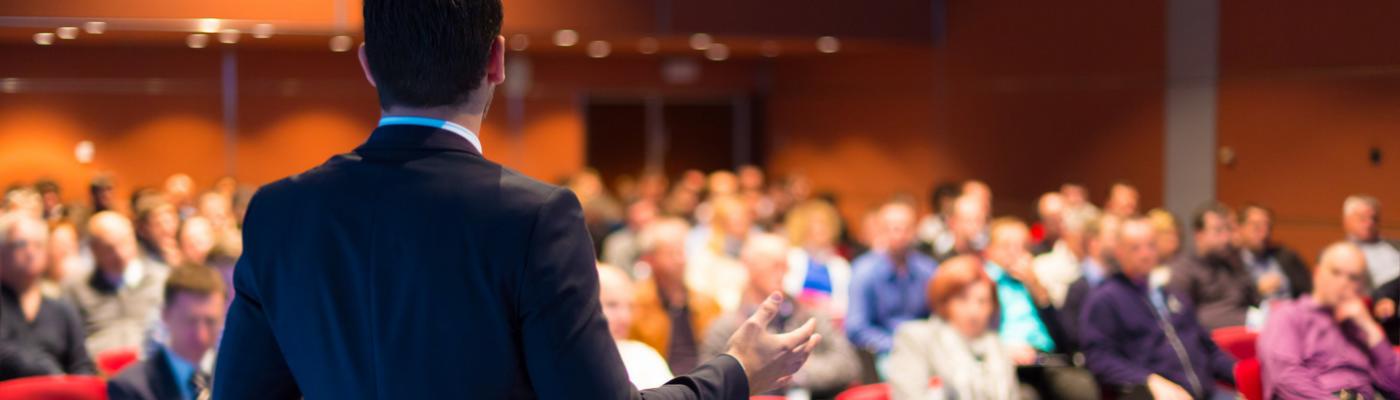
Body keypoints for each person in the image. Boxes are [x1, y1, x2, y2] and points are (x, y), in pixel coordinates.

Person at [214, 2, 820, 398]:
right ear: (497, 60)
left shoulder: (278, 212)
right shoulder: (533, 218)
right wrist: (735, 370)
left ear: (369, 66)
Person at [1080, 217, 1235, 400]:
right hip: (1154, 394)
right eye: (1135, 248)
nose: (1145, 254)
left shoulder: (1172, 293)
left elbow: (1207, 347)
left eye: (1151, 246)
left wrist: (1240, 373)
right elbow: (1100, 358)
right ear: (1119, 252)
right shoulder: (1105, 299)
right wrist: (1148, 380)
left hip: (1207, 392)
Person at [702, 234, 859, 398]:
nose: (783, 272)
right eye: (774, 265)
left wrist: (794, 371)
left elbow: (848, 365)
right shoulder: (725, 325)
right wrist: (760, 372)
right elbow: (710, 382)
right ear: (749, 266)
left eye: (785, 265)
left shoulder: (811, 316)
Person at [1259, 241, 1400, 398]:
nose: (1343, 283)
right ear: (1317, 273)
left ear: (1361, 286)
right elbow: (1286, 377)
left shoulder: (1356, 326)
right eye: (1336, 272)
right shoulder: (1288, 315)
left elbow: (1396, 385)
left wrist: (1369, 327)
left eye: (1353, 277)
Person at [981, 218, 1095, 399]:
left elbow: (1064, 338)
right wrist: (1004, 349)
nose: (1014, 253)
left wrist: (1038, 290)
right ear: (989, 250)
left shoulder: (1036, 282)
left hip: (1043, 359)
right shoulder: (983, 283)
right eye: (1006, 246)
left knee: (1081, 388)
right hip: (1002, 360)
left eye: (1022, 246)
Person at [888, 255, 1022, 400]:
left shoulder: (996, 345)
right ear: (945, 302)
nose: (974, 311)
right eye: (963, 299)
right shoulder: (916, 338)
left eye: (982, 301)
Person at [109, 265, 226, 400]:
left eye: (211, 322)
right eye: (190, 321)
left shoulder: (238, 377)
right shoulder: (130, 387)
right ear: (165, 315)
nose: (201, 335)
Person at [0, 213, 95, 377]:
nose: (31, 252)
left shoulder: (62, 309)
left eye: (38, 244)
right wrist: (52, 375)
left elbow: (82, 365)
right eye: (20, 244)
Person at [630, 217, 725, 376]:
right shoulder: (635, 303)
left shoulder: (707, 303)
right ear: (650, 259)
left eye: (682, 252)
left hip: (703, 384)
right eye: (671, 253)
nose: (681, 260)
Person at [63, 211, 167, 355]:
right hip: (99, 368)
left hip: (149, 368)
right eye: (109, 248)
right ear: (94, 250)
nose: (120, 253)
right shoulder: (76, 288)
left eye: (124, 243)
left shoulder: (160, 278)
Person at [847, 200, 938, 356]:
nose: (899, 234)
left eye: (906, 228)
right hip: (884, 351)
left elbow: (939, 316)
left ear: (915, 231)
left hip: (924, 347)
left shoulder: (928, 269)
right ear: (880, 231)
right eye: (892, 228)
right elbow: (856, 327)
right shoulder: (863, 270)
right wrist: (895, 346)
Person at [1168, 202, 1256, 330]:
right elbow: (1183, 320)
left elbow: (1254, 300)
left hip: (1246, 335)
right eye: (1218, 230)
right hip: (1211, 341)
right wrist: (1248, 319)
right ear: (1199, 235)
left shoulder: (1232, 262)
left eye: (1228, 230)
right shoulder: (1183, 269)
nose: (1226, 237)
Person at [598, 263, 673, 390]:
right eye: (612, 305)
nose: (625, 318)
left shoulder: (643, 356)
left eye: (630, 306)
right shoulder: (565, 362)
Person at [1056, 214, 1120, 354]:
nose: (1121, 243)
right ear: (1094, 242)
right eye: (1115, 237)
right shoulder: (1078, 287)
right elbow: (1072, 336)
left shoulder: (1124, 283)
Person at [781, 199, 852, 321]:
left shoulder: (840, 265)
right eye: (816, 223)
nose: (821, 229)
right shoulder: (791, 257)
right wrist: (812, 301)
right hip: (794, 319)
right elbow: (786, 293)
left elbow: (845, 305)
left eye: (825, 224)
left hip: (830, 323)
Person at [1234, 204, 1311, 300]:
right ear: (1239, 228)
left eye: (1268, 227)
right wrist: (1256, 290)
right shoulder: (1229, 262)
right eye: (1256, 227)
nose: (1264, 233)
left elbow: (1307, 291)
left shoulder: (1285, 256)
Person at [1032, 207, 1096, 308]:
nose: (1090, 242)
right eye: (1083, 235)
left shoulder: (1100, 266)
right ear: (1067, 232)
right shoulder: (1042, 265)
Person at [1342, 195, 1400, 289]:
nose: (1370, 223)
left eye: (1374, 218)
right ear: (1347, 220)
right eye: (1362, 218)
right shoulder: (1339, 254)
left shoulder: (1396, 245)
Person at [603, 199, 659, 276]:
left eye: (645, 211)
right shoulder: (616, 242)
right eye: (637, 212)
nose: (641, 216)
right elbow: (614, 272)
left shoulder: (668, 236)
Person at [931, 195, 987, 262]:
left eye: (979, 220)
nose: (975, 226)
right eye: (968, 220)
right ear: (952, 223)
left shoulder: (985, 258)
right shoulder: (940, 260)